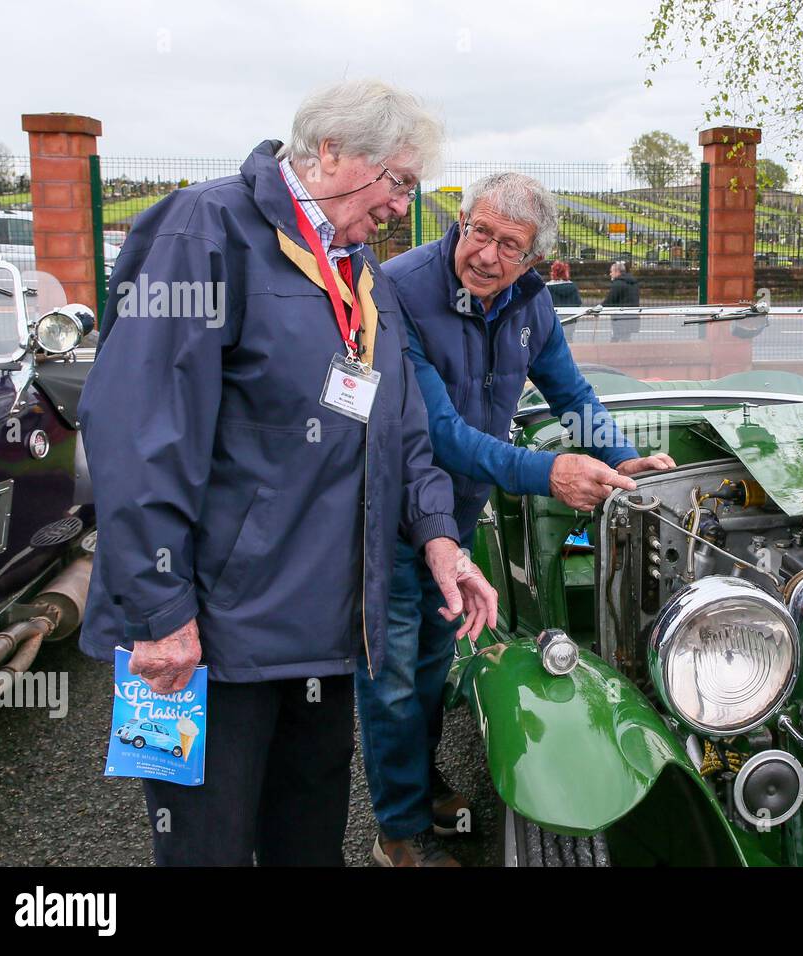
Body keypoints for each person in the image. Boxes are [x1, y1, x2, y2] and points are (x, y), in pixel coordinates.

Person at [78, 79, 497, 867]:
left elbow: (401, 429)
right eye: (400, 181)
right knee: (207, 851)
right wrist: (160, 611)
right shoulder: (202, 230)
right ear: (331, 151)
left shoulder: (360, 273)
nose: (404, 207)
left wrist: (441, 539)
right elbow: (138, 431)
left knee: (306, 847)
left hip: (319, 636)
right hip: (200, 641)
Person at [361, 171, 674, 867]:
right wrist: (546, 472)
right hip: (388, 517)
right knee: (390, 681)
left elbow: (571, 394)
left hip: (459, 518)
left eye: (510, 246)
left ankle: (421, 786)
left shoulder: (531, 302)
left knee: (434, 667)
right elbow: (435, 431)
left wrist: (624, 463)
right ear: (460, 221)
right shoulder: (400, 289)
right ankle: (396, 833)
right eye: (479, 233)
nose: (487, 256)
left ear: (534, 260)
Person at [603, 260, 640, 340]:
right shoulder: (634, 283)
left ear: (617, 272)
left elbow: (609, 301)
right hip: (632, 317)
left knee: (616, 340)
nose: (610, 274)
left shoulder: (618, 284)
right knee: (625, 339)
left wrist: (598, 308)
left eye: (611, 271)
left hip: (620, 319)